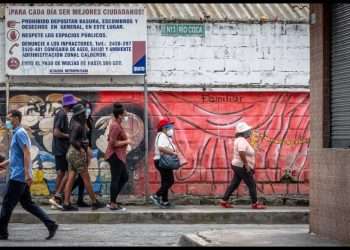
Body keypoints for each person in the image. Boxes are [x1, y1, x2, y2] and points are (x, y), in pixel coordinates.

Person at [0, 110, 58, 240]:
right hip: (19, 174)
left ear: (16, 118)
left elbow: (27, 153)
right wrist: (5, 163)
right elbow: (17, 155)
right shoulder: (16, 133)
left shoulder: (20, 133)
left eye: (9, 119)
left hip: (19, 176)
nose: (7, 121)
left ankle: (2, 233)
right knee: (27, 204)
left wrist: (27, 174)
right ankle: (51, 224)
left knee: (7, 204)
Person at [63, 104, 104, 211]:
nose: (84, 114)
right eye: (82, 113)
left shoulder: (74, 123)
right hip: (76, 153)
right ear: (79, 114)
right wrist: (81, 148)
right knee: (86, 178)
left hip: (71, 152)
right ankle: (95, 202)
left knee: (71, 178)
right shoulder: (78, 125)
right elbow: (72, 140)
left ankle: (66, 203)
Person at [219, 122, 266, 209]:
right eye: (247, 131)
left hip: (237, 165)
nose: (249, 132)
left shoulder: (239, 140)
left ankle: (224, 201)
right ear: (243, 132)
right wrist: (246, 165)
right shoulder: (241, 140)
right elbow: (241, 152)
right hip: (242, 166)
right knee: (251, 184)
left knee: (234, 183)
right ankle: (255, 204)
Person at [49, 94, 77, 209]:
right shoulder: (62, 114)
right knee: (63, 173)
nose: (73, 106)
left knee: (62, 173)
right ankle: (56, 198)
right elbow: (56, 132)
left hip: (60, 148)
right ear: (69, 104)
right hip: (61, 149)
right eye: (72, 104)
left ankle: (56, 198)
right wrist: (68, 135)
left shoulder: (62, 114)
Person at [105, 103, 131, 211]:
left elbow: (110, 138)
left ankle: (113, 200)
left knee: (124, 177)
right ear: (120, 115)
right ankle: (113, 203)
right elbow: (112, 143)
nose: (126, 114)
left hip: (119, 156)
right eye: (124, 112)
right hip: (115, 156)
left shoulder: (117, 124)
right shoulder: (115, 125)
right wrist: (127, 141)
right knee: (116, 179)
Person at [150, 118, 178, 209]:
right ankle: (156, 195)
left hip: (162, 160)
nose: (171, 129)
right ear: (163, 128)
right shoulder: (162, 135)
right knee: (170, 181)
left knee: (165, 181)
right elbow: (161, 148)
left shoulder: (164, 136)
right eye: (169, 127)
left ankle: (164, 201)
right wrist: (172, 153)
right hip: (162, 161)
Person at [70, 100, 93, 207]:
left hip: (86, 151)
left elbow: (89, 137)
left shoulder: (89, 121)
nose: (87, 110)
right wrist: (82, 149)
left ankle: (79, 198)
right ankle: (61, 196)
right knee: (80, 175)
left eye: (89, 108)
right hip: (78, 151)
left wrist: (89, 149)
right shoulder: (79, 122)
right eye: (85, 108)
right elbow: (74, 138)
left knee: (81, 177)